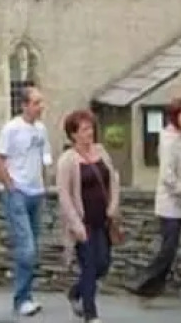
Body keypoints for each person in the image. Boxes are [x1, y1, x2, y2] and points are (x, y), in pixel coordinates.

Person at [128, 97, 181, 312]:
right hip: (172, 205)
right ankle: (144, 285)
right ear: (174, 117)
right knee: (168, 250)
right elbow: (168, 176)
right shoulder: (168, 140)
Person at [56, 109, 120, 323]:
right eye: (84, 129)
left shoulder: (101, 152)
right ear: (73, 134)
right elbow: (64, 195)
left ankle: (76, 292)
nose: (89, 133)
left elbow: (114, 179)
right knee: (89, 266)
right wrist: (75, 224)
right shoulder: (68, 160)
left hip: (102, 220)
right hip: (83, 223)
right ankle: (90, 314)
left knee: (102, 264)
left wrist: (113, 205)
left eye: (90, 128)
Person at [0, 86, 52, 317]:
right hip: (17, 193)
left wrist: (44, 186)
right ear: (25, 105)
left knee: (32, 248)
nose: (41, 107)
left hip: (36, 193)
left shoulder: (41, 130)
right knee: (26, 248)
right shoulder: (11, 129)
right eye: (36, 103)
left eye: (41, 102)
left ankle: (26, 295)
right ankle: (22, 299)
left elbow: (45, 159)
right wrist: (11, 186)